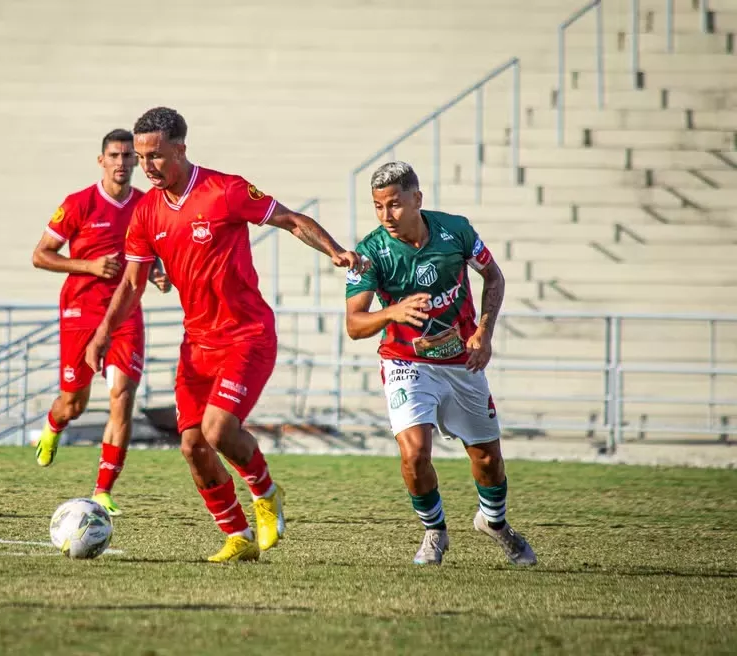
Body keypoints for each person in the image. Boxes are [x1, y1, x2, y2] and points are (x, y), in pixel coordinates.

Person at [85, 107, 367, 562]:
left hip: (246, 335)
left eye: (156, 155)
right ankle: (237, 537)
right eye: (141, 157)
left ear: (180, 149)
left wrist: (334, 250)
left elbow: (292, 219)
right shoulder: (145, 213)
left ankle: (265, 492)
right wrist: (103, 333)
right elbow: (133, 283)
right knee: (193, 447)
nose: (148, 166)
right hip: (197, 345)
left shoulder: (226, 190)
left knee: (218, 431)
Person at [345, 161, 536, 567]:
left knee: (487, 459)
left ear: (417, 199)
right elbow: (354, 325)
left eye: (394, 205)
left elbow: (495, 278)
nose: (386, 216)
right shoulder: (371, 252)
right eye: (378, 207)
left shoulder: (456, 231)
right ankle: (435, 532)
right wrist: (392, 313)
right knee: (414, 454)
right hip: (405, 363)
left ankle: (495, 523)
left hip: (461, 363)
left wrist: (484, 332)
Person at [32, 128, 170, 516]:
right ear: (102, 161)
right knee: (73, 404)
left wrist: (161, 272)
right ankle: (53, 425)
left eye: (129, 157)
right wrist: (88, 265)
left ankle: (103, 490)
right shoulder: (78, 204)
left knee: (122, 398)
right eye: (115, 156)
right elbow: (41, 255)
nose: (123, 163)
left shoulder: (149, 204)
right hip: (81, 312)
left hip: (126, 313)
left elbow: (158, 252)